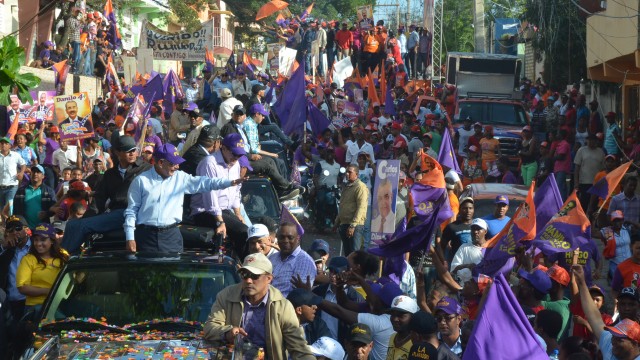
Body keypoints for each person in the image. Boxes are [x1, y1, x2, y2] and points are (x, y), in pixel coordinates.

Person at [124, 143, 243, 253]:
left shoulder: (180, 178)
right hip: (146, 237)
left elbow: (205, 183)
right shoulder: (141, 181)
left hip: (172, 236)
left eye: (178, 163)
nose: (177, 167)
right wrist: (130, 238)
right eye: (173, 163)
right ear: (160, 163)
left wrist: (229, 182)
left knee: (175, 274)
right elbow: (131, 211)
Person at [203, 252, 315, 359]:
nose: (248, 280)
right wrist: (228, 332)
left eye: (254, 276)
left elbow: (299, 349)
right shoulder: (226, 295)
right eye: (244, 275)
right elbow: (209, 328)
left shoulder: (282, 307)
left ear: (269, 279)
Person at [61, 135, 152, 254]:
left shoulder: (147, 170)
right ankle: (70, 259)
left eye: (134, 150)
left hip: (136, 213)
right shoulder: (110, 174)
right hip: (117, 214)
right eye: (127, 150)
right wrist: (85, 219)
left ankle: (61, 260)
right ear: (117, 152)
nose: (132, 153)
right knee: (73, 224)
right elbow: (99, 200)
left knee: (77, 226)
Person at [191, 134, 248, 257]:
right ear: (224, 148)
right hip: (205, 211)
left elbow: (236, 190)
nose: (236, 158)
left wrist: (238, 214)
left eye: (240, 155)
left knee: (248, 231)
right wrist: (220, 222)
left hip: (224, 210)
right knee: (243, 232)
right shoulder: (209, 163)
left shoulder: (236, 164)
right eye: (234, 153)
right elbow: (210, 196)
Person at [572, 264, 640, 360]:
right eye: (614, 336)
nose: (613, 342)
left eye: (620, 339)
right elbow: (594, 316)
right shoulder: (609, 341)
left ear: (635, 344)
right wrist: (582, 283)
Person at [16, 223, 68, 311]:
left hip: (62, 303)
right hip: (36, 307)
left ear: (52, 240)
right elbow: (22, 287)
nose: (38, 244)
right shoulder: (28, 259)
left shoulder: (63, 255)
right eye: (36, 240)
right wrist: (49, 291)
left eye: (43, 240)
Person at [269, 222, 316, 297]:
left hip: (286, 306)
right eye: (282, 237)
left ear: (298, 239)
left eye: (290, 237)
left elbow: (299, 296)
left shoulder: (305, 261)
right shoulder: (272, 258)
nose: (285, 241)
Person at [0, 216, 31, 325]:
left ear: (26, 229)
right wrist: (8, 249)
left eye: (18, 228)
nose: (14, 232)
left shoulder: (35, 248)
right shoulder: (5, 252)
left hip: (30, 302)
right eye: (10, 230)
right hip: (10, 303)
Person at [336, 165, 369, 255]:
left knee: (355, 254)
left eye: (350, 172)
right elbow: (342, 205)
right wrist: (336, 222)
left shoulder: (360, 187)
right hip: (344, 223)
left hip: (355, 226)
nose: (347, 174)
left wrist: (353, 225)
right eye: (346, 172)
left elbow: (361, 207)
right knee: (347, 254)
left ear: (356, 174)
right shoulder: (346, 187)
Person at [574, 133, 605, 207]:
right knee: (584, 203)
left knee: (595, 204)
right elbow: (577, 168)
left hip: (597, 183)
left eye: (594, 140)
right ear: (587, 141)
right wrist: (576, 183)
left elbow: (604, 168)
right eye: (590, 140)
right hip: (584, 182)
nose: (591, 142)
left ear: (597, 141)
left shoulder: (601, 152)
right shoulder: (581, 151)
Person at [441, 197, 474, 263]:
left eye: (470, 208)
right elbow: (441, 247)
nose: (468, 211)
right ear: (459, 209)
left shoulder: (479, 226)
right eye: (465, 208)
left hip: (475, 264)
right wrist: (444, 261)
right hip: (457, 266)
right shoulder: (452, 227)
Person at [386, 295, 420, 359]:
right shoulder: (392, 337)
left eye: (401, 316)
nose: (395, 319)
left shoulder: (416, 343)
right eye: (393, 315)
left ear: (413, 317)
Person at [0, 136, 26, 215]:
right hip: (0, 186)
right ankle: (3, 226)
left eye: (6, 143)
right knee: (1, 209)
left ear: (10, 145)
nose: (3, 145)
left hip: (12, 186)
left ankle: (9, 226)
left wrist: (21, 173)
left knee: (8, 208)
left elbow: (23, 164)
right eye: (2, 143)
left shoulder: (15, 155)